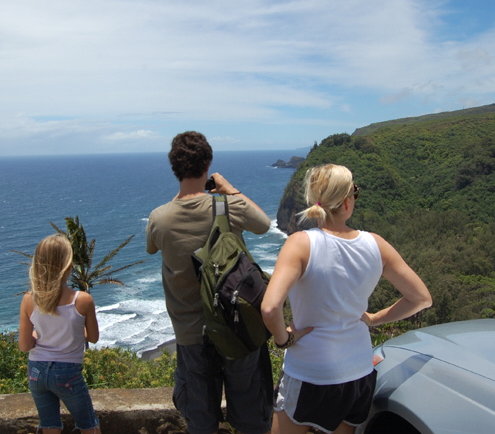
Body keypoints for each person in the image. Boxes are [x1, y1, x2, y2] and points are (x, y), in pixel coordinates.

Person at [261, 164, 432, 434]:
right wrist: (375, 319)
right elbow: (421, 298)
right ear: (347, 202)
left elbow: (270, 308)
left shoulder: (300, 244)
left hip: (309, 373)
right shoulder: (376, 244)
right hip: (358, 372)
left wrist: (285, 339)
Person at [146, 131, 273, 434]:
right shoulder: (227, 207)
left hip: (191, 334)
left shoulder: (159, 218)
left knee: (201, 421)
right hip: (237, 326)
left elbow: (152, 247)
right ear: (208, 165)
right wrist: (229, 190)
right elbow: (264, 224)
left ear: (174, 167)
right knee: (251, 416)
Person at [18, 233, 101, 434]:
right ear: (69, 267)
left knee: (49, 426)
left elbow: (25, 346)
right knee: (88, 424)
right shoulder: (82, 300)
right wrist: (75, 328)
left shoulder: (29, 299)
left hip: (36, 371)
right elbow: (93, 337)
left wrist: (38, 335)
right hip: (68, 372)